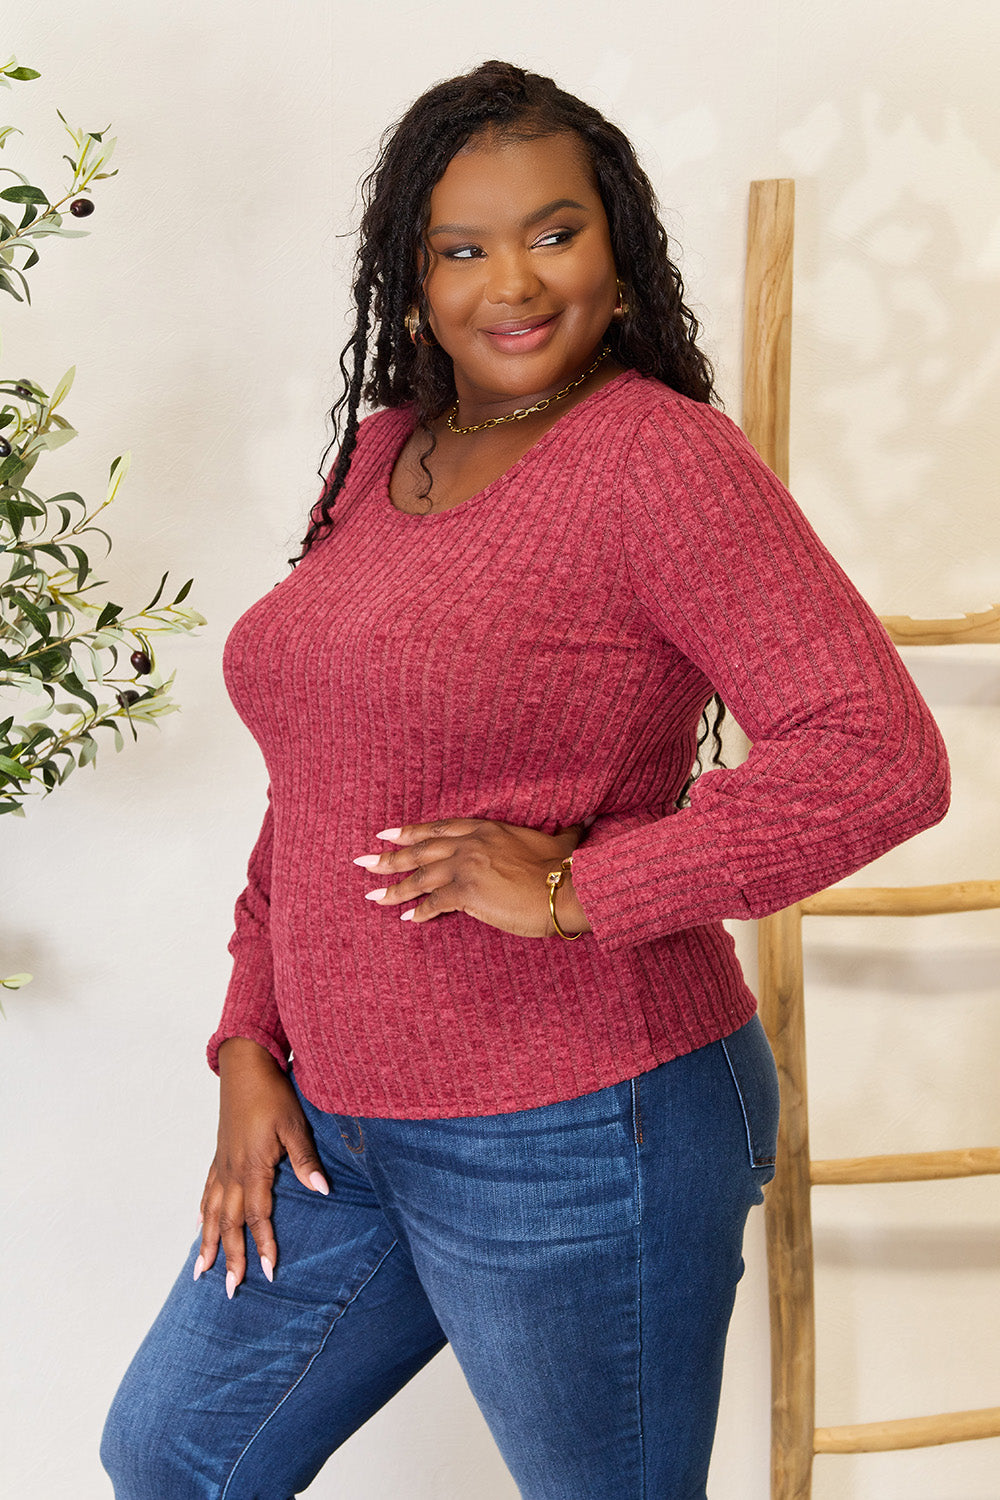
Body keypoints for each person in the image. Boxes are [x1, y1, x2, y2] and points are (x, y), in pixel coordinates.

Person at [101, 60, 949, 1500]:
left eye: (553, 232)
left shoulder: (660, 461)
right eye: (463, 247)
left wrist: (576, 888)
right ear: (412, 276)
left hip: (583, 1121)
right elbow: (313, 780)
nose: (515, 282)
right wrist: (251, 1042)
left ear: (617, 247)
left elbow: (879, 757)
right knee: (176, 1452)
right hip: (337, 1124)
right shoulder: (384, 456)